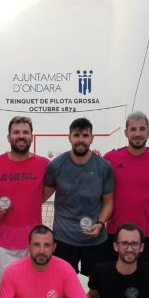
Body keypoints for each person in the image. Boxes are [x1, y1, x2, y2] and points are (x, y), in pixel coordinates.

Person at [43, 117, 114, 277]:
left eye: (85, 135)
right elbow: (40, 197)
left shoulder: (104, 167)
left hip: (96, 240)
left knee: (98, 290)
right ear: (69, 137)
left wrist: (101, 224)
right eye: (76, 135)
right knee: (65, 290)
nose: (80, 140)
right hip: (63, 240)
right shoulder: (56, 166)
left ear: (92, 138)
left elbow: (109, 202)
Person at [103, 111, 149, 263]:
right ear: (126, 133)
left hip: (146, 235)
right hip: (114, 234)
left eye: (142, 129)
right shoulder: (110, 158)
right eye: (133, 129)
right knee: (111, 285)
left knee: (145, 285)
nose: (137, 133)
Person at [0, 116, 50, 268]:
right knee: (7, 289)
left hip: (34, 243)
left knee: (32, 289)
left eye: (25, 132)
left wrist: (35, 200)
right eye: (16, 132)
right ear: (9, 137)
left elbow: (53, 185)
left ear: (31, 137)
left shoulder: (44, 164)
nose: (21, 136)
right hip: (4, 245)